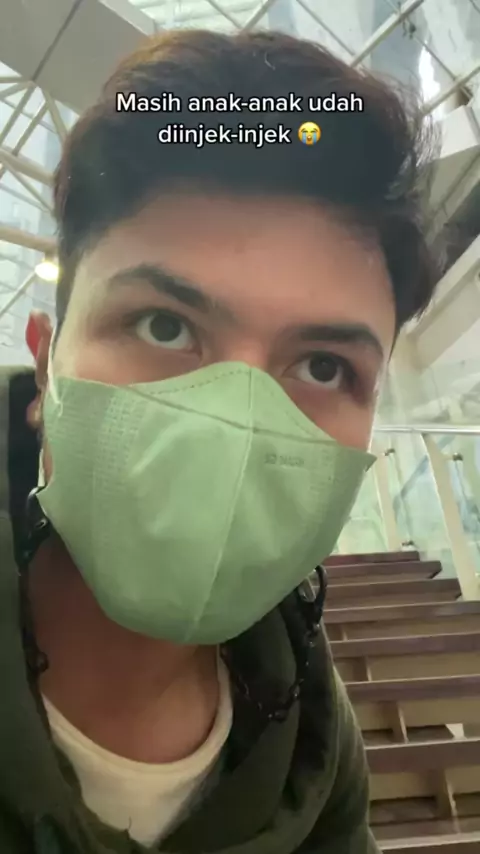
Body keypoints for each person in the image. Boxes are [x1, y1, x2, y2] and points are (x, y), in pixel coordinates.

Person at [0, 28, 439, 854]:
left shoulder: (316, 745)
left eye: (322, 366)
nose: (236, 423)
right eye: (165, 326)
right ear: (45, 364)